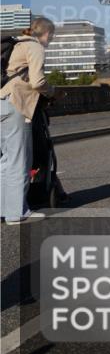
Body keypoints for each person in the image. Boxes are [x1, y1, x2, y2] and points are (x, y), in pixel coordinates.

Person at [1, 17, 57, 224]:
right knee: (19, 160)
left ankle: (3, 209)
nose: (51, 40)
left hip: (0, 102)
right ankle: (17, 212)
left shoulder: (15, 45)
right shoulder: (34, 46)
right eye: (52, 36)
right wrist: (53, 93)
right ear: (47, 33)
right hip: (16, 104)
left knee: (5, 161)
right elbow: (37, 81)